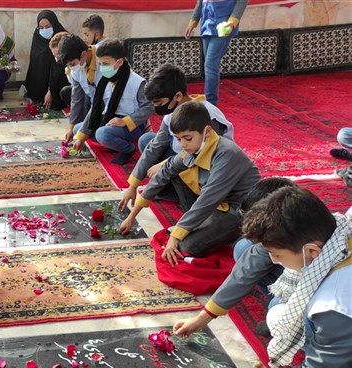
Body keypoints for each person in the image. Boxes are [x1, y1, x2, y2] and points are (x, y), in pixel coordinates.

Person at [210, 187, 352, 368]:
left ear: (312, 251)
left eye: (278, 255)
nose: (275, 261)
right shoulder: (342, 233)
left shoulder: (334, 302)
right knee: (281, 314)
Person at [119, 101, 260, 259]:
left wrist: (176, 236)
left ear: (206, 132)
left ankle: (234, 235)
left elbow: (208, 199)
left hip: (238, 213)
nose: (182, 145)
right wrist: (132, 216)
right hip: (217, 206)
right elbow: (165, 171)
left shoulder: (227, 153)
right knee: (176, 172)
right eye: (178, 139)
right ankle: (197, 225)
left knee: (185, 247)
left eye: (187, 138)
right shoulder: (195, 148)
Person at [172, 177, 295, 338]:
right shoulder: (284, 227)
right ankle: (277, 297)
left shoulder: (312, 246)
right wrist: (201, 319)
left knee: (278, 310)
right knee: (244, 247)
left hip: (310, 287)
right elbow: (245, 270)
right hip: (293, 267)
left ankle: (283, 307)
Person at [120, 64, 234, 210]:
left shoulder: (208, 115)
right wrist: (133, 185)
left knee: (171, 172)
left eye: (159, 103)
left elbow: (205, 153)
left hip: (207, 165)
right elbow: (156, 146)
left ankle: (189, 196)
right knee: (147, 141)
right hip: (182, 156)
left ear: (178, 96)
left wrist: (166, 163)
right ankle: (172, 187)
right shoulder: (172, 113)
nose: (156, 108)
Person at [70, 38, 152, 165]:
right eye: (100, 64)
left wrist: (124, 121)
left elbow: (147, 108)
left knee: (101, 134)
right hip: (109, 119)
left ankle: (128, 149)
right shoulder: (106, 80)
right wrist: (81, 137)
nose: (102, 68)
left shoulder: (137, 82)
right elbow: (96, 107)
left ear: (119, 62)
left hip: (131, 124)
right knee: (78, 129)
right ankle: (111, 141)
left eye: (106, 64)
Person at [185, 0, 248, 106]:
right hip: (207, 25)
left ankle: (211, 103)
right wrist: (192, 22)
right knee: (209, 65)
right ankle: (209, 99)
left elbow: (242, 1)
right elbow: (200, 2)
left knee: (210, 64)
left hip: (223, 26)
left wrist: (232, 22)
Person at [58, 34, 102, 146]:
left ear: (83, 55)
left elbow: (101, 101)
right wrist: (71, 127)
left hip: (110, 106)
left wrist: (82, 135)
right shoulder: (77, 68)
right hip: (94, 103)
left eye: (72, 64)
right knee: (76, 129)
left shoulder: (103, 61)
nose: (71, 68)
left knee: (100, 134)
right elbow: (77, 98)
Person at [23, 10, 69, 110]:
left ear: (54, 24)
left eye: (48, 26)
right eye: (41, 27)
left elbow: (61, 70)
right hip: (40, 84)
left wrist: (51, 91)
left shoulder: (63, 39)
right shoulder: (37, 35)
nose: (44, 30)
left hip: (59, 83)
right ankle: (39, 95)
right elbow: (34, 64)